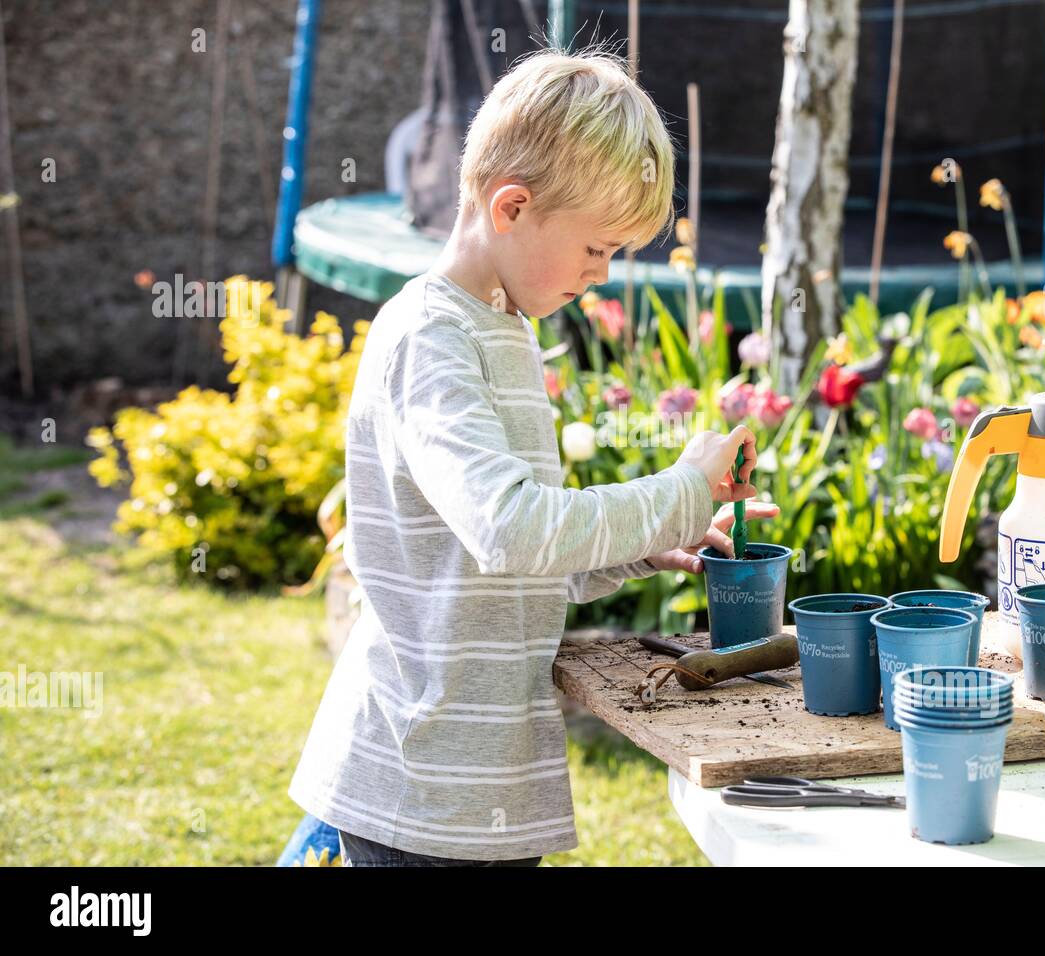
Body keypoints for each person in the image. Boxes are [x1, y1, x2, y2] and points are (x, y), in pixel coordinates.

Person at [288, 47, 778, 866]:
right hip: (425, 784)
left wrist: (636, 550)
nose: (601, 274)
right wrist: (683, 489)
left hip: (487, 785)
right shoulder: (431, 338)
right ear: (511, 206)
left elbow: (501, 563)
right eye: (596, 249)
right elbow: (509, 530)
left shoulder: (504, 331)